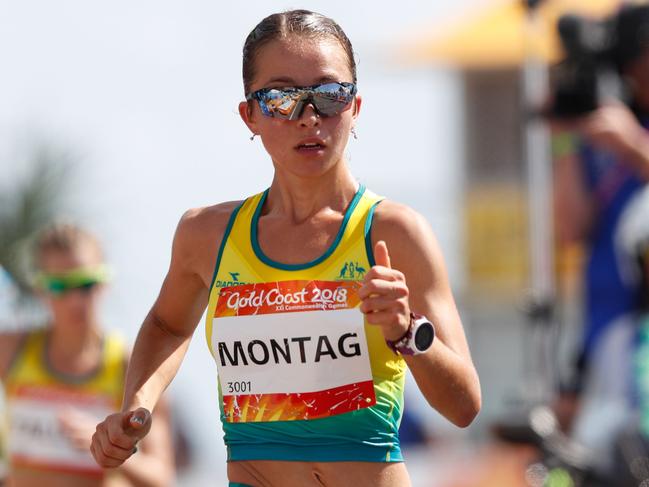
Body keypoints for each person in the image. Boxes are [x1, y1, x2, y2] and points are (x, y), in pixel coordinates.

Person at [90, 10, 481, 487]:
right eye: (281, 98)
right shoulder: (206, 234)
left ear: (355, 107)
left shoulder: (394, 233)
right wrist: (136, 407)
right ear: (249, 114)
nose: (309, 116)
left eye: (329, 94)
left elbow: (463, 408)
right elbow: (168, 325)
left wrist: (405, 331)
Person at [0, 222, 175, 487]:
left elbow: (162, 476)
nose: (76, 301)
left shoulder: (130, 365)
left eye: (86, 285)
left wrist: (109, 446)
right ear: (40, 289)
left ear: (105, 282)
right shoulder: (11, 349)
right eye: (60, 287)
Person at [552, 3, 649, 475]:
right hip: (605, 327)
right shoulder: (601, 130)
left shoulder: (625, 133)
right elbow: (571, 229)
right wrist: (568, 138)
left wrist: (632, 146)